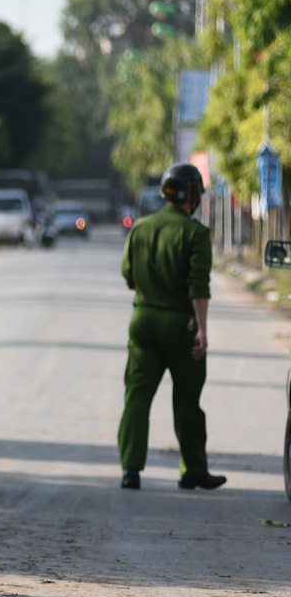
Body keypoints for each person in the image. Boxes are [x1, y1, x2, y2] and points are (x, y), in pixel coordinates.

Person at [117, 163, 223, 491]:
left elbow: (128, 275)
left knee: (137, 396)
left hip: (143, 321)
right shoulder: (195, 234)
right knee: (187, 400)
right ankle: (193, 469)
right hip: (180, 325)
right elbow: (198, 287)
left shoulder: (140, 229)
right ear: (192, 198)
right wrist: (202, 330)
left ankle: (130, 470)